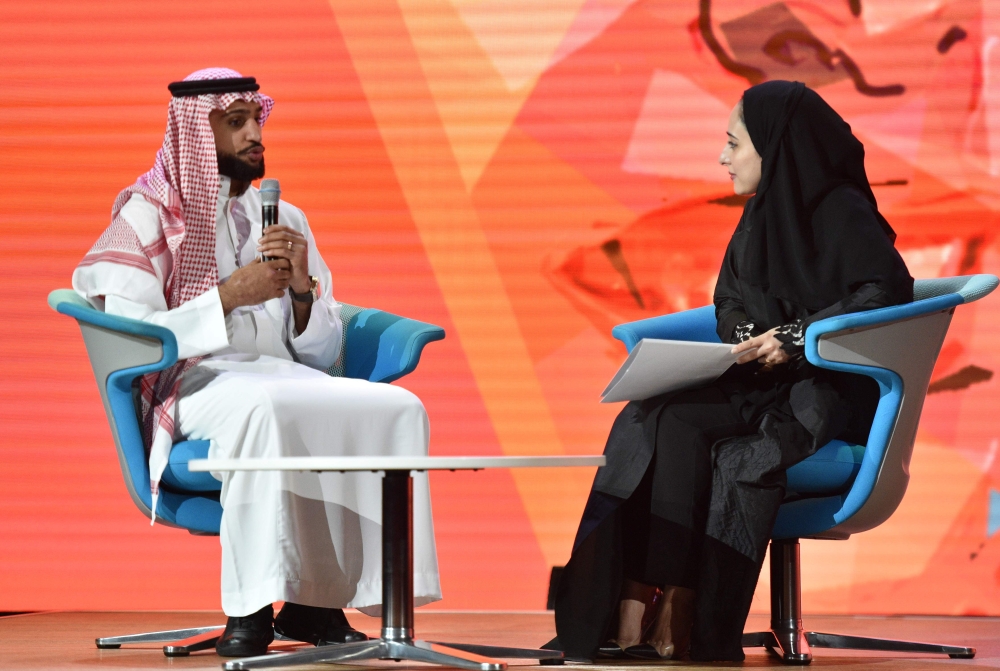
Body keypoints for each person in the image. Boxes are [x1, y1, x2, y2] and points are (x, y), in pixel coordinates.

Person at [72, 68, 442, 657]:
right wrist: (227, 296)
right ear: (195, 132)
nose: (254, 135)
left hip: (280, 375)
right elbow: (134, 339)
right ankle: (249, 606)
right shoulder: (149, 216)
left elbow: (322, 352)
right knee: (268, 408)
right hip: (189, 381)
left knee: (396, 406)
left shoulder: (286, 219)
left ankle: (321, 604)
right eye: (235, 122)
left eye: (256, 120)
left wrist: (301, 294)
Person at [547, 80, 913, 662]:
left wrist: (794, 339)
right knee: (656, 419)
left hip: (823, 390)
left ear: (776, 147)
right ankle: (634, 607)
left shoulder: (841, 212)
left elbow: (886, 291)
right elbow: (728, 300)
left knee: (717, 444)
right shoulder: (759, 217)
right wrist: (748, 340)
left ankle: (688, 617)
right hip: (762, 380)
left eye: (733, 144)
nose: (722, 159)